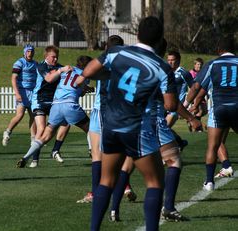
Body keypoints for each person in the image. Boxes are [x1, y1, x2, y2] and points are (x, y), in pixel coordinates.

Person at [76, 16, 179, 231]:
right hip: (137, 129)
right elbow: (170, 105)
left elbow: (88, 71)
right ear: (159, 38)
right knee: (154, 182)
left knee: (106, 181)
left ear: (138, 34)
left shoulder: (116, 53)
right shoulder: (162, 67)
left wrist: (111, 76)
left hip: (111, 126)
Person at [107, 38, 202, 222]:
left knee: (127, 165)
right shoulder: (159, 69)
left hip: (131, 122)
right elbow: (171, 104)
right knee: (174, 161)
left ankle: (113, 209)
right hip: (154, 122)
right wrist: (191, 118)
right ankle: (168, 208)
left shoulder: (133, 64)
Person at [76, 35, 137, 204]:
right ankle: (125, 186)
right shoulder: (130, 62)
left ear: (106, 47)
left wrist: (82, 83)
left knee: (98, 154)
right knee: (118, 152)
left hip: (103, 110)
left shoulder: (106, 59)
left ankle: (97, 193)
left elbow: (81, 78)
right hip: (123, 110)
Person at [16, 55, 93, 168]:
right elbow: (79, 89)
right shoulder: (85, 75)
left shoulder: (67, 70)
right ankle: (92, 151)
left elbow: (67, 84)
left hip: (56, 105)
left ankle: (26, 157)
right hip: (70, 105)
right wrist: (86, 90)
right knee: (91, 129)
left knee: (45, 136)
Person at [185, 37, 238, 191]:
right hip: (237, 107)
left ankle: (209, 181)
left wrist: (186, 105)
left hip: (219, 108)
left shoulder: (212, 64)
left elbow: (196, 87)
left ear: (218, 50)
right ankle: (225, 167)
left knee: (212, 145)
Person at [17, 45, 70, 167]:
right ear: (46, 56)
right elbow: (49, 78)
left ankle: (55, 150)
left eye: (57, 57)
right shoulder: (41, 66)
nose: (55, 59)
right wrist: (61, 70)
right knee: (41, 130)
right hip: (39, 100)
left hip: (53, 102)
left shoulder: (58, 67)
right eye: (53, 57)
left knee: (66, 122)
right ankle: (35, 160)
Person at [2, 44, 37, 148]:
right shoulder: (19, 63)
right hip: (22, 92)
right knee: (20, 115)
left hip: (33, 92)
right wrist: (17, 93)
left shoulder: (36, 64)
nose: (30, 53)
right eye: (28, 51)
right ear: (25, 52)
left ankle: (33, 139)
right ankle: (7, 132)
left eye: (32, 51)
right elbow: (13, 78)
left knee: (34, 116)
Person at [166, 50, 194, 149]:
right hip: (165, 105)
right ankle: (179, 141)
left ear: (178, 61)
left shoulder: (184, 73)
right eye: (168, 60)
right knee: (161, 128)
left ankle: (167, 154)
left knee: (164, 128)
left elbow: (194, 88)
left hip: (177, 107)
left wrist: (189, 103)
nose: (170, 62)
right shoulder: (166, 71)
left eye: (172, 60)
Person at [188, 57, 207, 132]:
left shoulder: (202, 73)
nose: (199, 66)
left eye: (201, 64)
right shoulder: (191, 73)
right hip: (195, 95)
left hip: (201, 94)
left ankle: (191, 121)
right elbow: (191, 86)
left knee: (204, 111)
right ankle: (198, 128)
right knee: (200, 111)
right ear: (195, 65)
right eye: (198, 64)